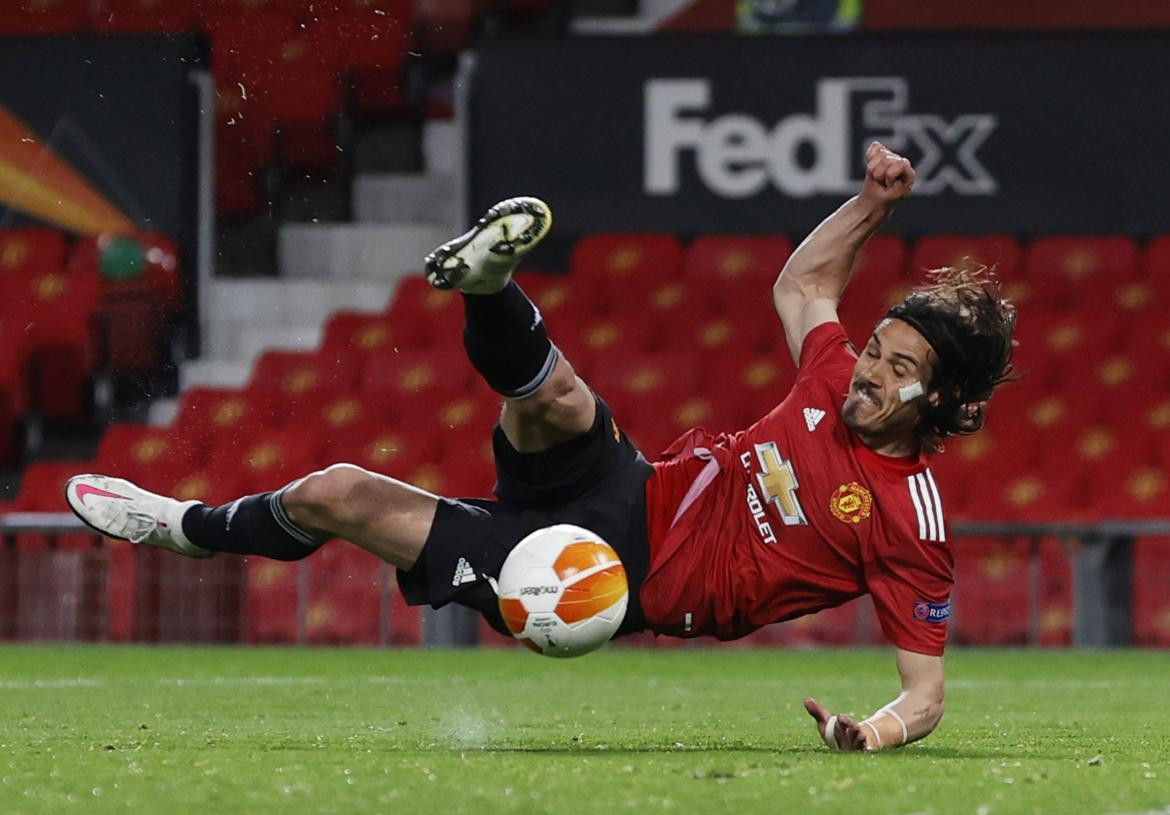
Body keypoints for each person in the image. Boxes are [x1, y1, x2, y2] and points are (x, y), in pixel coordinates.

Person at [65, 142, 1016, 752]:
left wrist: (875, 734)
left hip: (606, 576)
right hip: (630, 492)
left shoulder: (907, 516)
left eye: (895, 372)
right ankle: (488, 284)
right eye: (876, 352)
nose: (867, 374)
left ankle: (180, 527)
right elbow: (804, 286)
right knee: (556, 395)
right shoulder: (829, 378)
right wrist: (871, 206)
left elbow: (926, 690)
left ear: (940, 400)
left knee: (336, 491)